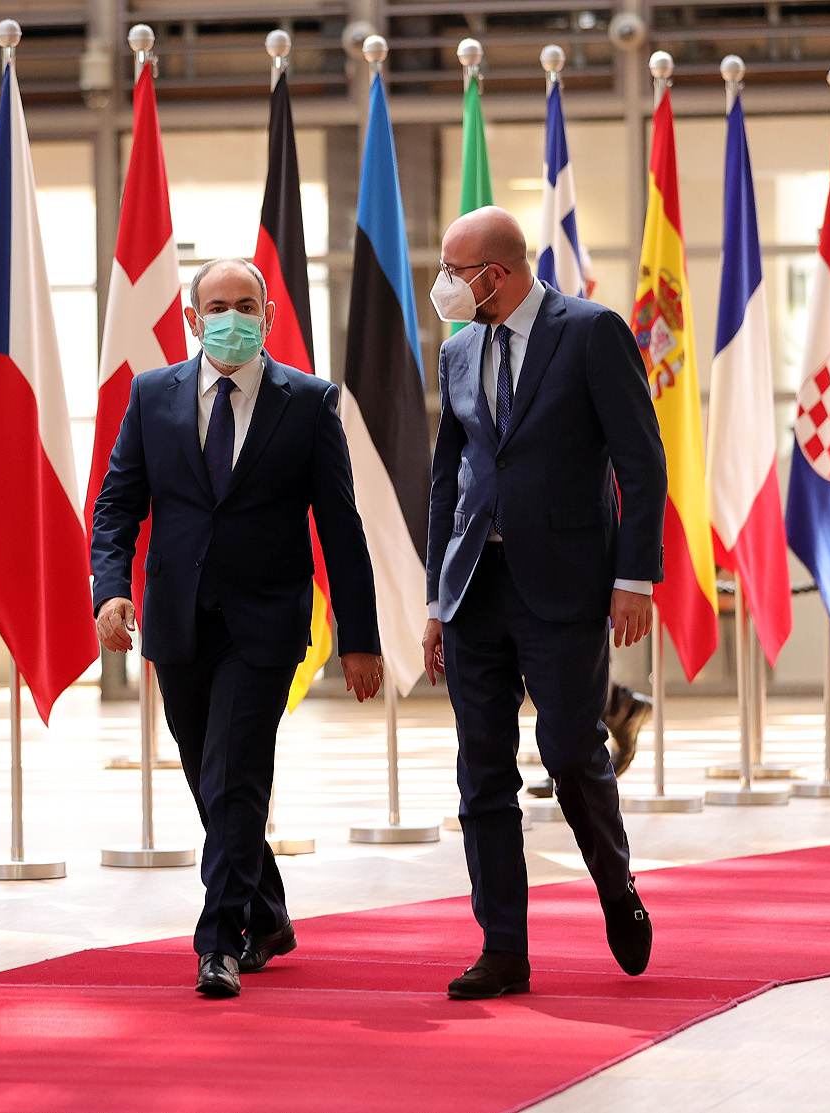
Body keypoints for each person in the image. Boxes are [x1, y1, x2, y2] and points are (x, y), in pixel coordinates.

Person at [91, 258, 384, 1000]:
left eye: (245, 304)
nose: (231, 317)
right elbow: (117, 503)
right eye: (216, 305)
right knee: (209, 779)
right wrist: (110, 590)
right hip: (178, 621)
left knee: (235, 774)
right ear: (193, 319)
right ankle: (270, 913)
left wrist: (359, 638)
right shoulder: (152, 394)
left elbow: (341, 526)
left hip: (266, 624)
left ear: (268, 315)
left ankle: (220, 941)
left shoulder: (309, 402)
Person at [423, 207, 667, 998]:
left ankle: (616, 885)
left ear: (494, 274)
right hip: (474, 588)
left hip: (564, 585)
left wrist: (634, 579)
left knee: (568, 752)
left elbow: (641, 461)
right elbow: (448, 478)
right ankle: (502, 947)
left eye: (454, 271)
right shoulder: (458, 350)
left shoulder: (590, 332)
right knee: (481, 771)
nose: (444, 285)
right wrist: (436, 597)